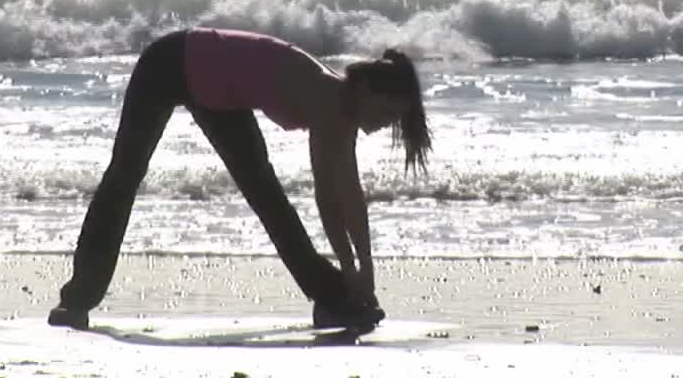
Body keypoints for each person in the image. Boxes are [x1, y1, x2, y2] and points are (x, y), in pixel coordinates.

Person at [46, 27, 432, 331]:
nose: (384, 126)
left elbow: (349, 194)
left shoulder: (343, 111)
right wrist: (352, 269)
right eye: (385, 113)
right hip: (169, 63)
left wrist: (365, 267)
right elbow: (328, 199)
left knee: (266, 196)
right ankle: (77, 300)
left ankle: (334, 299)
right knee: (124, 175)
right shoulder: (327, 100)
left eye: (393, 120)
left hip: (221, 96)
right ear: (364, 89)